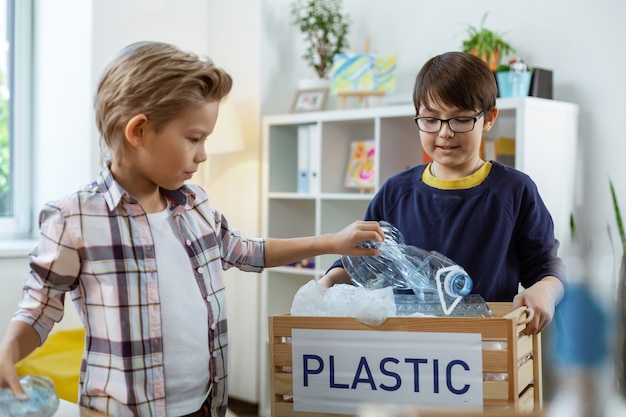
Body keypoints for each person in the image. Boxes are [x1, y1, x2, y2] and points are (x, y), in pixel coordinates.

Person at [0, 41, 384, 417]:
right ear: (138, 132)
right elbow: (39, 309)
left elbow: (249, 251)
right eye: (193, 138)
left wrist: (333, 241)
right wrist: (8, 354)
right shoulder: (75, 217)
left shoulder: (194, 204)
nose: (202, 154)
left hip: (204, 404)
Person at [319, 51, 565, 335]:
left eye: (461, 119)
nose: (445, 133)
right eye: (431, 119)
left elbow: (547, 269)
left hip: (487, 352)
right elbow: (361, 262)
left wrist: (545, 290)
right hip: (406, 351)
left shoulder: (514, 191)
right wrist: (326, 284)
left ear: (488, 118)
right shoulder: (395, 192)